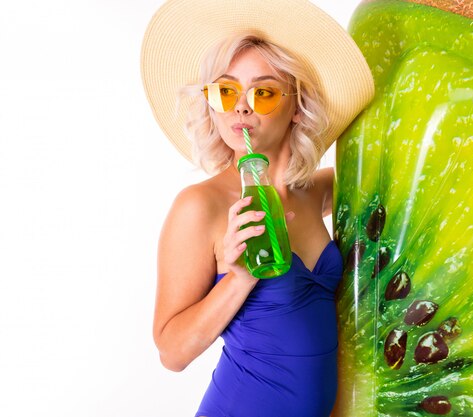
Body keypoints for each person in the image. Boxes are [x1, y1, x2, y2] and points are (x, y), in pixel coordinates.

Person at [140, 0, 374, 416]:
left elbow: (380, 182)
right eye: (226, 91)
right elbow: (171, 353)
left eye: (263, 92)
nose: (241, 107)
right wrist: (239, 277)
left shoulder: (314, 191)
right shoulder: (201, 205)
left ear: (297, 105)